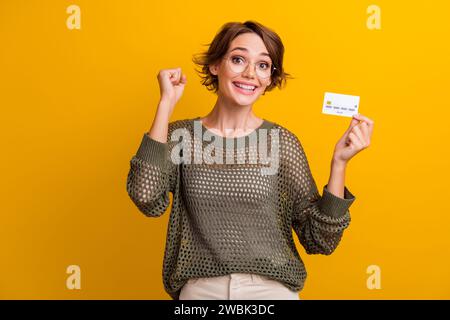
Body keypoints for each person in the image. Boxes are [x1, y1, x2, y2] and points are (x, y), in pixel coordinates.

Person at [126, 20, 374, 300]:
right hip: (201, 292)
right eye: (238, 59)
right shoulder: (181, 136)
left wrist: (339, 163)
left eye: (263, 65)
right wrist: (165, 105)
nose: (249, 73)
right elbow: (145, 196)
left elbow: (320, 240)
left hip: (270, 292)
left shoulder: (281, 142)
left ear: (269, 78)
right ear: (215, 65)